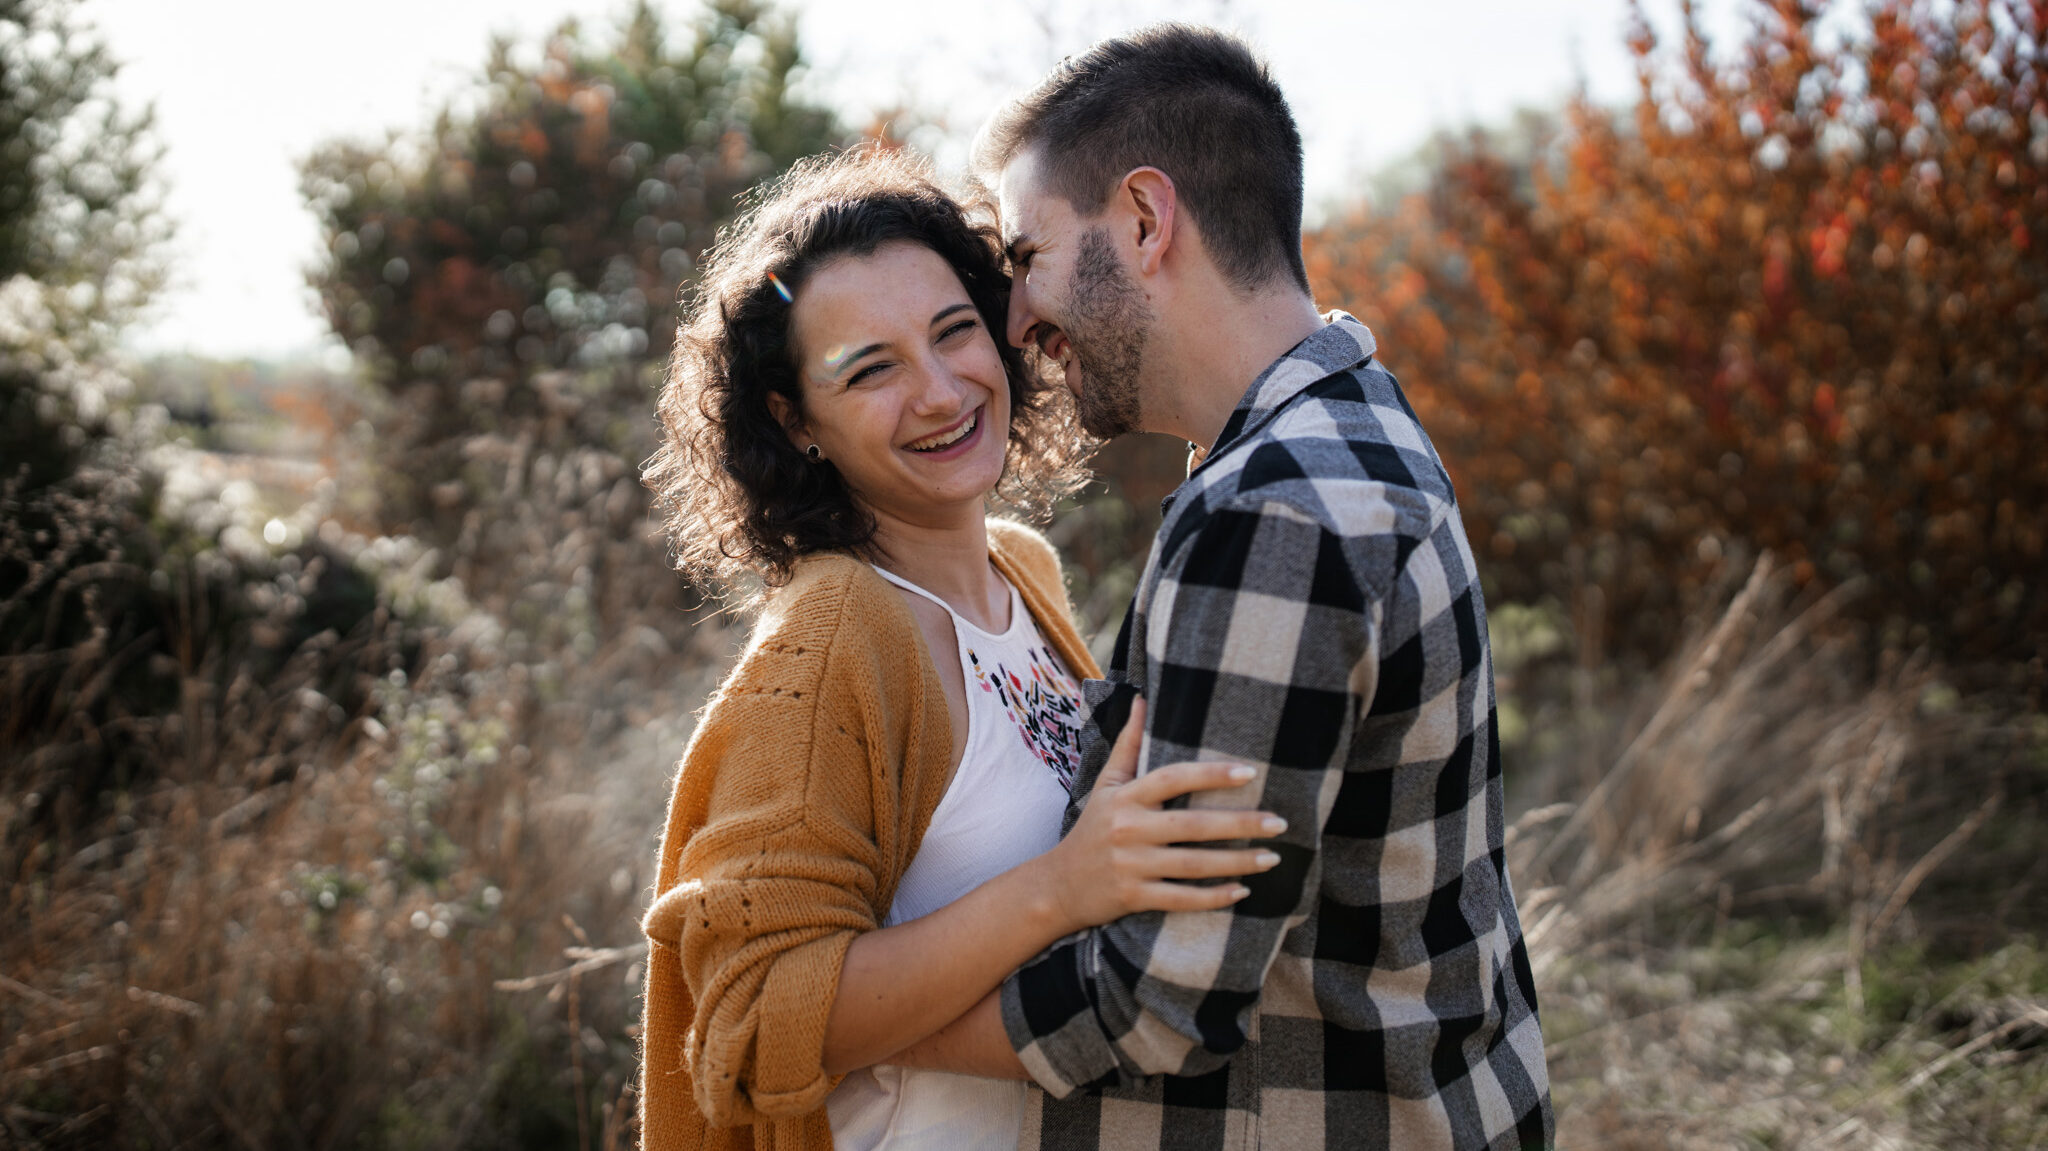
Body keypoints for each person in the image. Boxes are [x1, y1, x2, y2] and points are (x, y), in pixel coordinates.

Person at [883, 24, 1556, 1149]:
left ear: (1144, 221)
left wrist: (853, 1023)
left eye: (1027, 255)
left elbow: (1159, 1002)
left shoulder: (1269, 515)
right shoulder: (1360, 420)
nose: (1015, 321)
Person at [636, 145, 1286, 1151]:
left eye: (953, 333)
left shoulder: (1019, 570)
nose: (939, 391)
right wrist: (1060, 886)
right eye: (870, 370)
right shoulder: (833, 637)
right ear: (794, 420)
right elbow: (755, 1021)